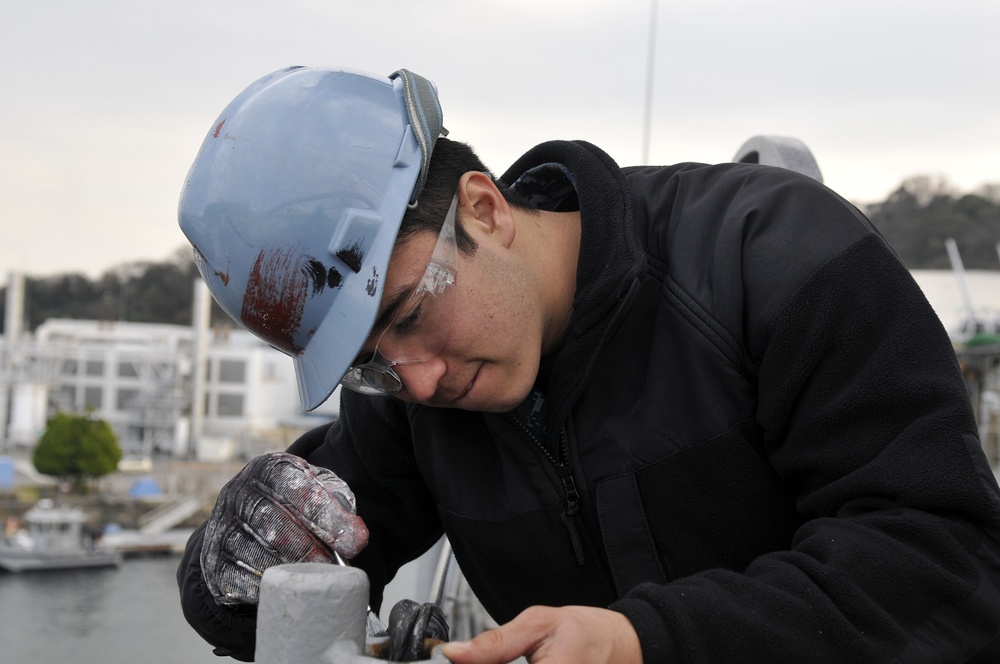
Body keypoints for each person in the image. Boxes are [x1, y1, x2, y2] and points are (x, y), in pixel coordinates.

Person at [176, 66, 1000, 663]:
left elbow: (948, 562)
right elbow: (255, 602)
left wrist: (646, 640)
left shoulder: (776, 260)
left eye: (411, 314)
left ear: (484, 206)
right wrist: (231, 556)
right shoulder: (413, 393)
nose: (416, 381)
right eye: (368, 364)